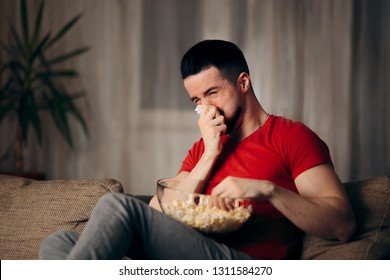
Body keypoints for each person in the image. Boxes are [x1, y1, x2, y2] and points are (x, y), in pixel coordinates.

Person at [39, 39, 356, 260]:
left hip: (245, 264)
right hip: (187, 258)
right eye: (196, 101)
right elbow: (157, 213)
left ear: (243, 83)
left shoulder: (291, 136)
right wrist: (209, 153)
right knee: (58, 242)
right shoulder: (204, 147)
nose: (205, 109)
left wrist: (268, 190)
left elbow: (342, 224)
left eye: (212, 93)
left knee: (115, 206)